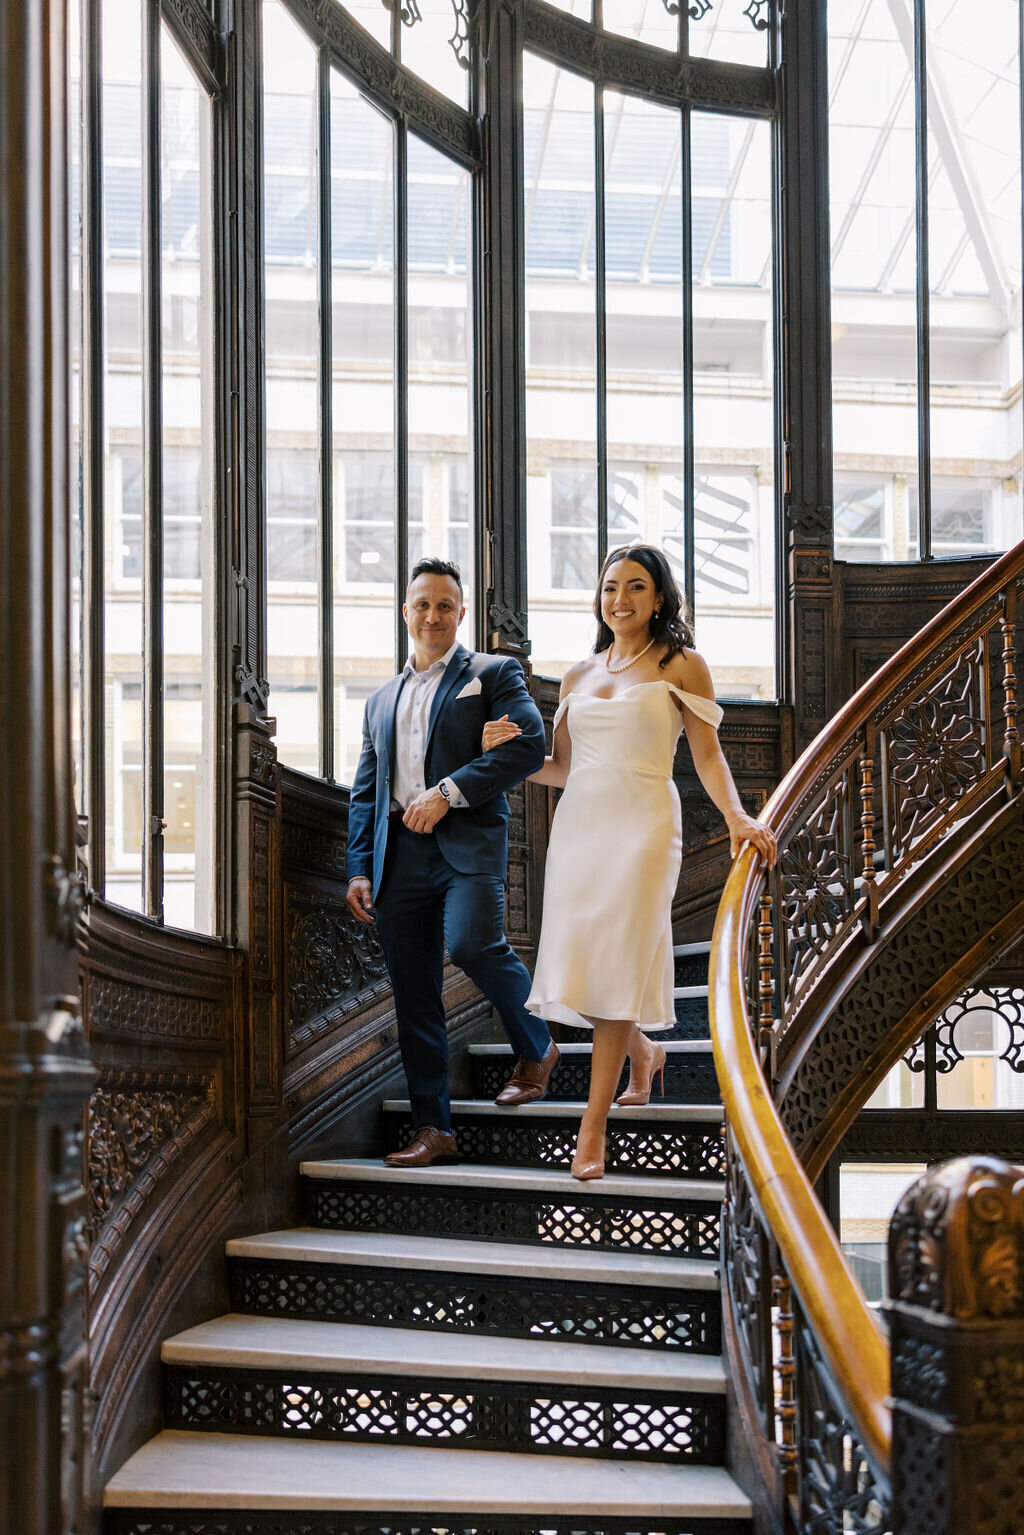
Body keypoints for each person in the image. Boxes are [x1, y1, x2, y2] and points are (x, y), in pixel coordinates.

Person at [481, 544, 776, 1181]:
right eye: (611, 587)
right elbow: (559, 768)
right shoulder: (578, 676)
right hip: (580, 827)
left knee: (615, 965)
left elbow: (705, 756)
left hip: (644, 823)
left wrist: (736, 818)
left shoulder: (682, 665)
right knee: (572, 968)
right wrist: (508, 752)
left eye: (636, 587)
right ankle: (642, 1052)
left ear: (660, 598)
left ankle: (592, 1128)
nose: (620, 599)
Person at [345, 556, 559, 1169]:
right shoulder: (379, 700)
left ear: (461, 614)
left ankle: (538, 1045)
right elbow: (367, 790)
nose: (433, 615)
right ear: (405, 612)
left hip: (466, 841)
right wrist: (360, 867)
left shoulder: (492, 673)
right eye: (423, 604)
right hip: (396, 856)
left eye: (445, 605)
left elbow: (529, 747)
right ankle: (432, 1129)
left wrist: (447, 792)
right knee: (414, 994)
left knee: (471, 944)